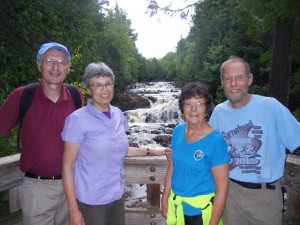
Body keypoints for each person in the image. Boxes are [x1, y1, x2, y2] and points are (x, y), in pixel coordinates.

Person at [61, 62, 166, 225]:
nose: (105, 89)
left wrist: (150, 150)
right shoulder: (77, 119)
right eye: (98, 85)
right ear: (88, 89)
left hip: (116, 196)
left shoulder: (118, 114)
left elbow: (120, 149)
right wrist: (73, 209)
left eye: (108, 83)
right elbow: (67, 167)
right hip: (91, 200)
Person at [209, 56, 300, 225]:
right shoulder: (219, 113)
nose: (233, 83)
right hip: (230, 194)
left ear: (249, 79)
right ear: (222, 82)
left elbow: (297, 139)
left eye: (239, 78)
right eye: (228, 79)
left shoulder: (271, 107)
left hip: (265, 196)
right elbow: (207, 150)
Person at [0, 42, 83, 225]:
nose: (55, 67)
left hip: (71, 186)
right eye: (49, 61)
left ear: (68, 68)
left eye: (61, 62)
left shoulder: (76, 96)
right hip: (37, 188)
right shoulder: (22, 96)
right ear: (40, 65)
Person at [161, 82, 229, 225]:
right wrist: (165, 198)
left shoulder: (216, 140)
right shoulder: (178, 131)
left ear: (207, 107)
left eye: (199, 103)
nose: (193, 109)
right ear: (182, 108)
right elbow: (172, 167)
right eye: (188, 104)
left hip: (201, 212)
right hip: (178, 207)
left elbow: (222, 189)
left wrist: (213, 223)